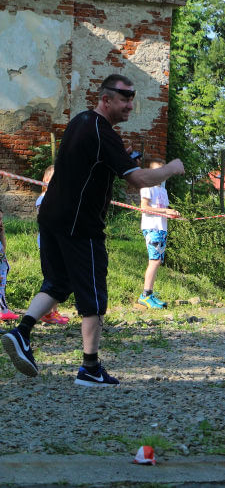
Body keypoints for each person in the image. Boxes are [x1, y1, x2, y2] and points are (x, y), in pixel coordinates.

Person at [1, 74, 184, 386]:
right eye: (124, 98)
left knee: (58, 283)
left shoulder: (81, 122)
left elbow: (93, 165)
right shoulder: (102, 132)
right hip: (80, 224)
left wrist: (121, 159)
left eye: (132, 97)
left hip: (51, 216)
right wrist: (172, 168)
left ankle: (22, 332)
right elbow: (138, 180)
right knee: (94, 294)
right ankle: (90, 368)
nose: (129, 104)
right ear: (106, 99)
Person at [138, 159, 180, 309]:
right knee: (154, 261)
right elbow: (144, 207)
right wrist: (166, 211)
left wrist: (172, 214)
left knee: (157, 261)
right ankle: (145, 296)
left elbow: (163, 210)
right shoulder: (147, 186)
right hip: (151, 228)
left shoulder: (163, 190)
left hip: (162, 228)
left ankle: (149, 294)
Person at [35, 165, 70, 325]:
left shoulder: (53, 197)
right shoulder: (44, 198)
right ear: (46, 180)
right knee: (53, 277)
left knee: (58, 277)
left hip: (57, 243)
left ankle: (52, 311)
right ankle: (48, 313)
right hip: (50, 243)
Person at [0, 208, 18, 322]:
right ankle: (4, 311)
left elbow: (4, 248)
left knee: (1, 288)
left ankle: (4, 310)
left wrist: (2, 233)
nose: (0, 221)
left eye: (1, 219)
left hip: (2, 267)